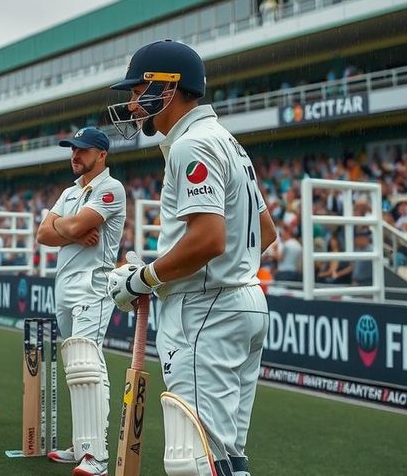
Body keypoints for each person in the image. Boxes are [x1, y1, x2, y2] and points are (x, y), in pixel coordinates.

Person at [106, 40, 277, 476]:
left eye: (136, 91)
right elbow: (266, 232)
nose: (130, 104)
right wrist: (171, 266)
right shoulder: (227, 141)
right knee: (227, 456)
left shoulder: (192, 145)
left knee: (195, 458)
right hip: (244, 302)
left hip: (207, 312)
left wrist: (142, 279)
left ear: (167, 87)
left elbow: (207, 241)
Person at [35, 127, 126, 476]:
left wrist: (64, 227)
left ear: (101, 155)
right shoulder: (69, 191)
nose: (75, 155)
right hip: (64, 284)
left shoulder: (110, 188)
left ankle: (96, 455)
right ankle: (81, 444)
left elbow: (72, 226)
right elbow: (42, 234)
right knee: (77, 367)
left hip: (93, 284)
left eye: (83, 150)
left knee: (88, 364)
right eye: (73, 149)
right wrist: (69, 229)